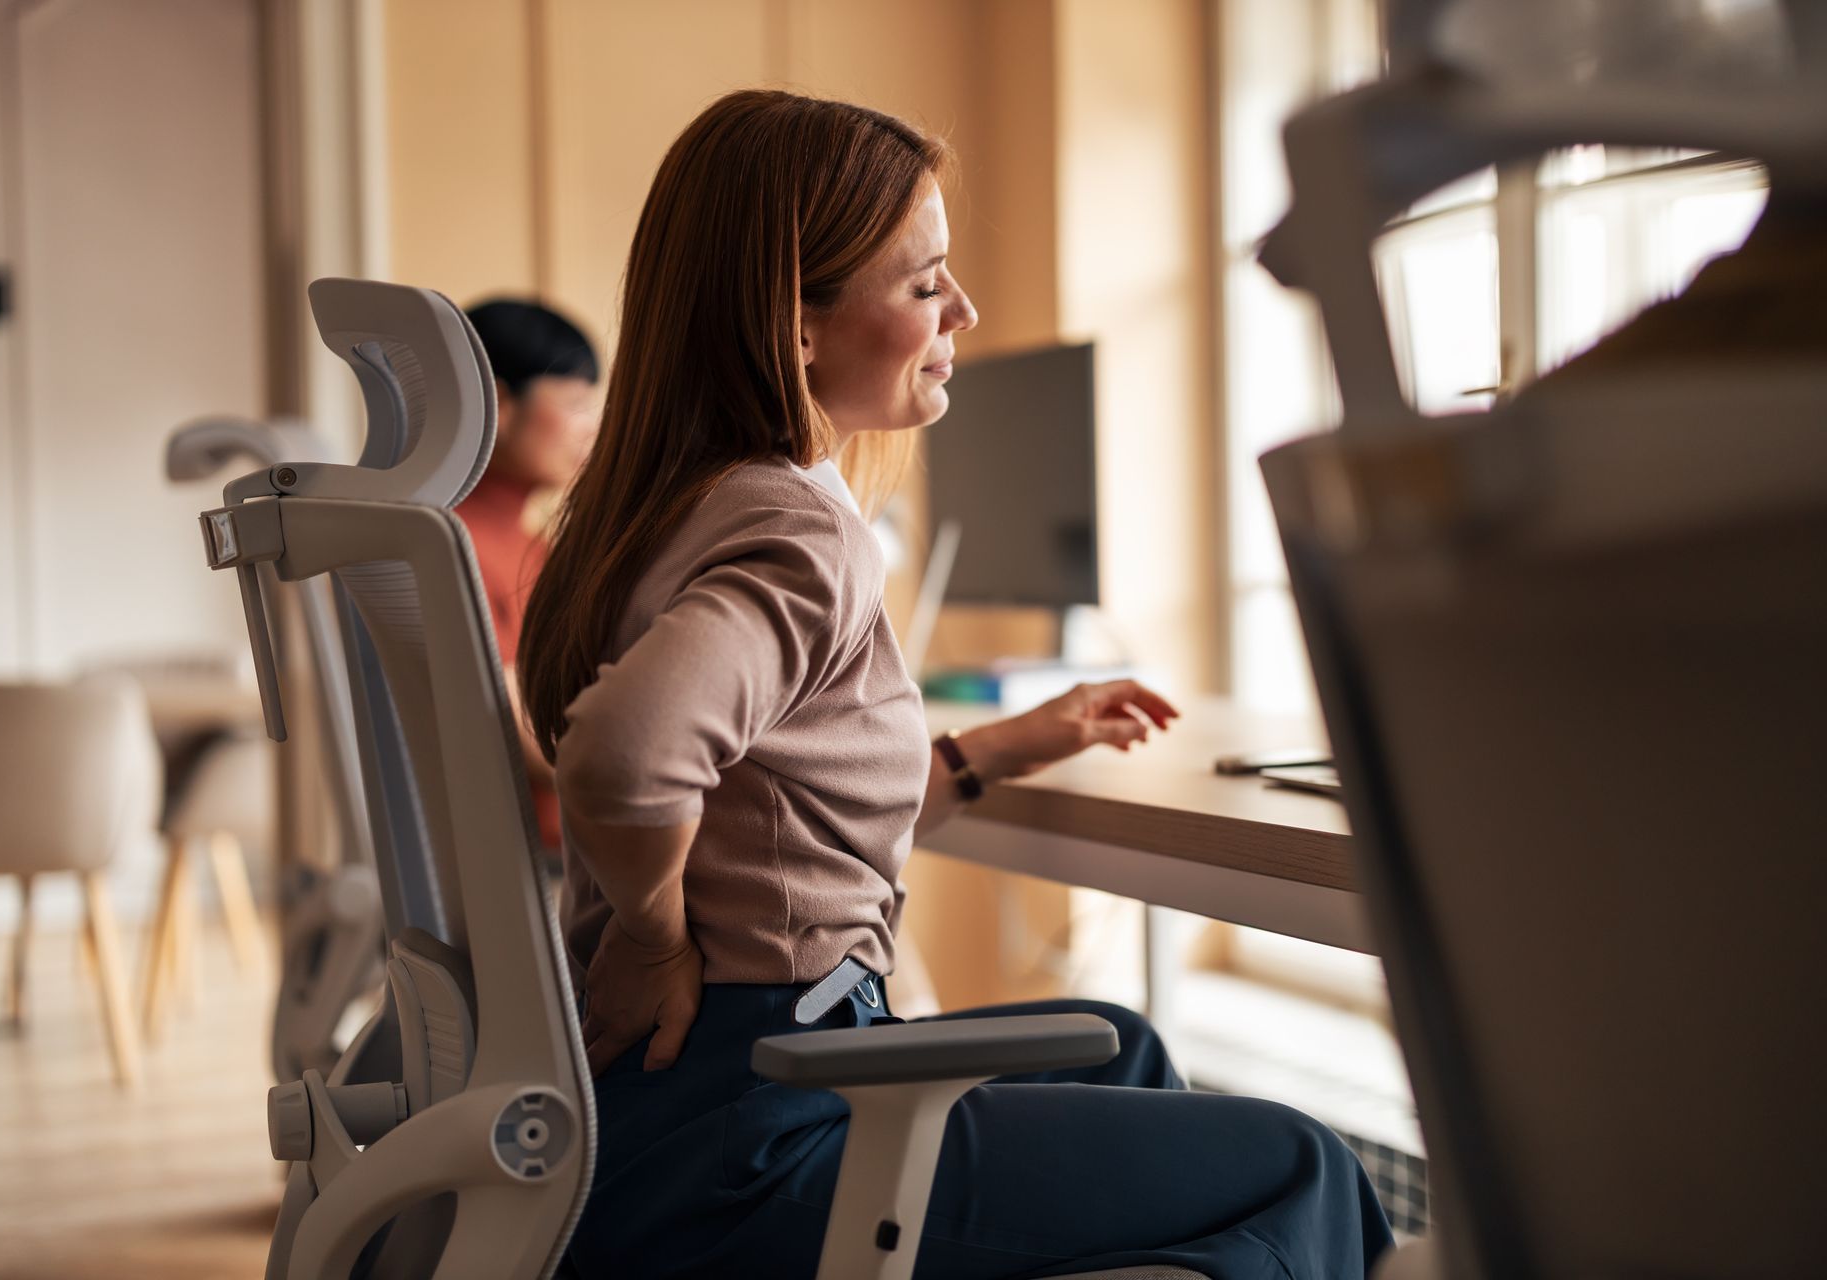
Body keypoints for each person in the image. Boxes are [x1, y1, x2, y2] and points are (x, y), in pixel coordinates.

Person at [518, 90, 1393, 1279]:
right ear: (798, 324)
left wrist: (998, 749)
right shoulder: (798, 528)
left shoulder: (650, 513)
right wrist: (653, 936)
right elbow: (626, 757)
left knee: (1117, 1047)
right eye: (926, 283)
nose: (963, 311)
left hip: (662, 1111)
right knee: (1306, 1164)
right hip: (754, 1134)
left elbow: (774, 832)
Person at [456, 298, 600, 855]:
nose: (592, 427)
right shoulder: (454, 544)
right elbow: (525, 740)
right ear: (497, 403)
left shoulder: (534, 547)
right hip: (543, 870)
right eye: (574, 403)